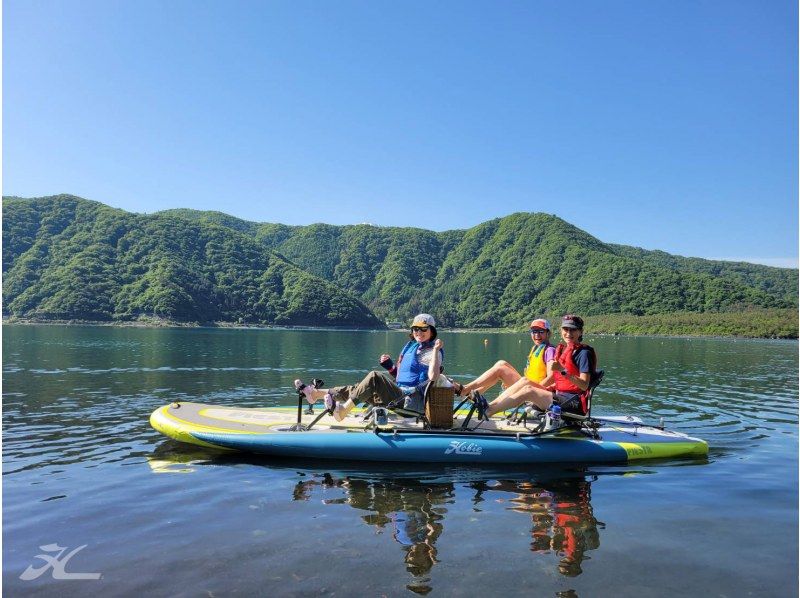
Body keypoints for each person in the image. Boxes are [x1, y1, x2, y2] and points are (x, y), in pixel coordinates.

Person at [295, 313, 444, 421]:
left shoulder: (431, 351)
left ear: (432, 331)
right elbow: (402, 377)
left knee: (374, 377)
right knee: (357, 388)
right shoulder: (411, 347)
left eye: (424, 329)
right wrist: (390, 367)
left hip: (410, 404)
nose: (419, 332)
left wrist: (436, 351)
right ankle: (314, 394)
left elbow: (433, 377)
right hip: (398, 395)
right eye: (416, 329)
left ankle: (342, 412)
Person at [477, 314, 597, 419]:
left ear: (580, 332)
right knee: (525, 381)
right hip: (559, 396)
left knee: (528, 391)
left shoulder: (583, 353)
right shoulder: (564, 350)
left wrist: (562, 370)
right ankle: (490, 406)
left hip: (573, 403)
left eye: (573, 330)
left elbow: (584, 385)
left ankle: (489, 412)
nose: (568, 333)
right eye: (565, 329)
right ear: (561, 331)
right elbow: (561, 382)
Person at [451, 318, 556, 397]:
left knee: (500, 370)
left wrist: (534, 388)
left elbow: (551, 377)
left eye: (541, 332)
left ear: (548, 333)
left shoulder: (549, 350)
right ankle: (474, 393)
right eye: (534, 332)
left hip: (535, 390)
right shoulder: (536, 348)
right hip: (529, 385)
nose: (537, 335)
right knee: (501, 363)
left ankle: (466, 389)